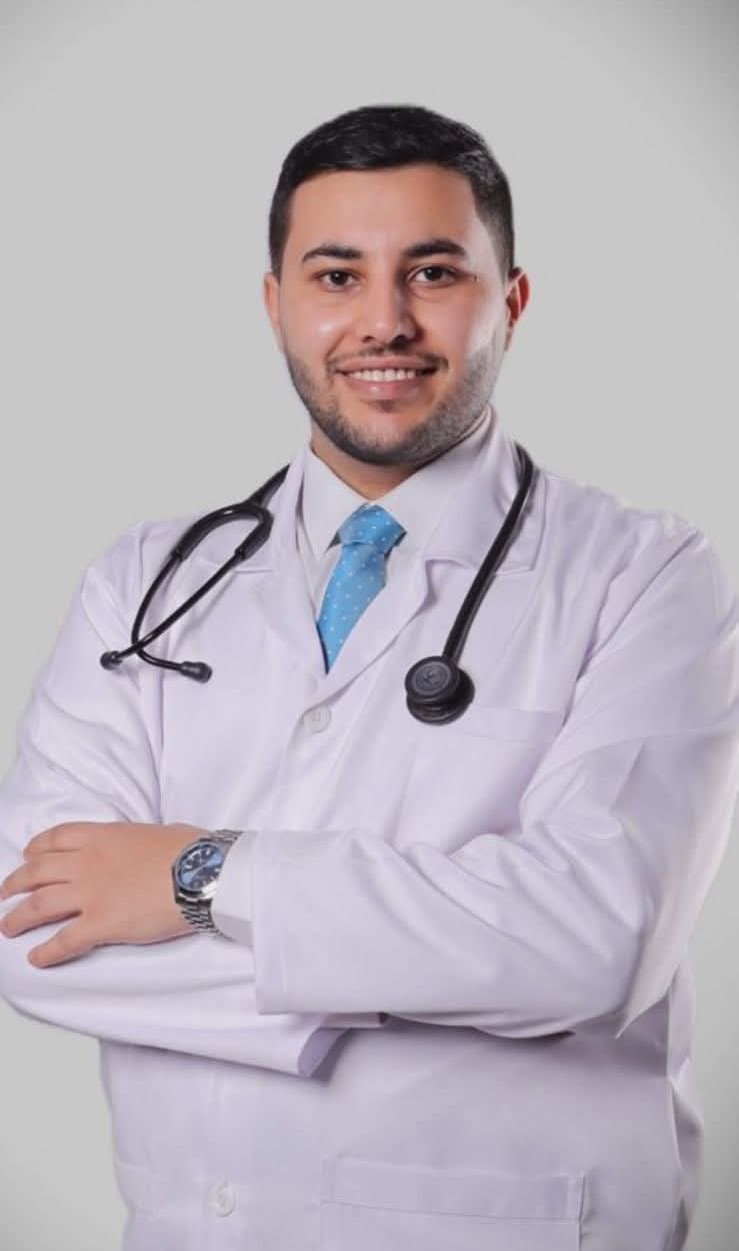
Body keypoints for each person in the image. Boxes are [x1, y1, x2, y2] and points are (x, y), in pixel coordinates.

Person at [0, 103, 737, 1251]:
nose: (383, 321)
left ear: (511, 301)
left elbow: (595, 943)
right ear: (275, 305)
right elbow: (31, 936)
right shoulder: (145, 582)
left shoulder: (645, 577)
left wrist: (199, 878)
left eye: (432, 273)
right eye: (336, 276)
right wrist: (450, 963)